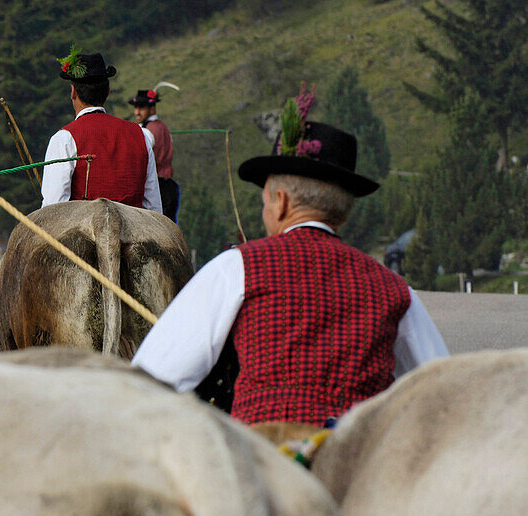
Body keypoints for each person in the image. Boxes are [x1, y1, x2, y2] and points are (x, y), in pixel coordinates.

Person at [131, 119, 448, 443]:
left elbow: (153, 380)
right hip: (360, 472)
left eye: (265, 200)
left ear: (280, 202)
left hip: (265, 471)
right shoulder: (395, 290)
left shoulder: (236, 268)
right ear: (344, 211)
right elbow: (444, 392)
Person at [40, 49, 163, 213]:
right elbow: (154, 207)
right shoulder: (141, 135)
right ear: (108, 91)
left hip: (83, 236)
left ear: (73, 92)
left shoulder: (63, 139)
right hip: (135, 236)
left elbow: (53, 208)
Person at [128, 88, 179, 222]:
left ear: (152, 108)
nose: (137, 111)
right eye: (136, 107)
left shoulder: (148, 132)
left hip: (157, 188)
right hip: (169, 187)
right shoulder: (163, 127)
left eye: (142, 107)